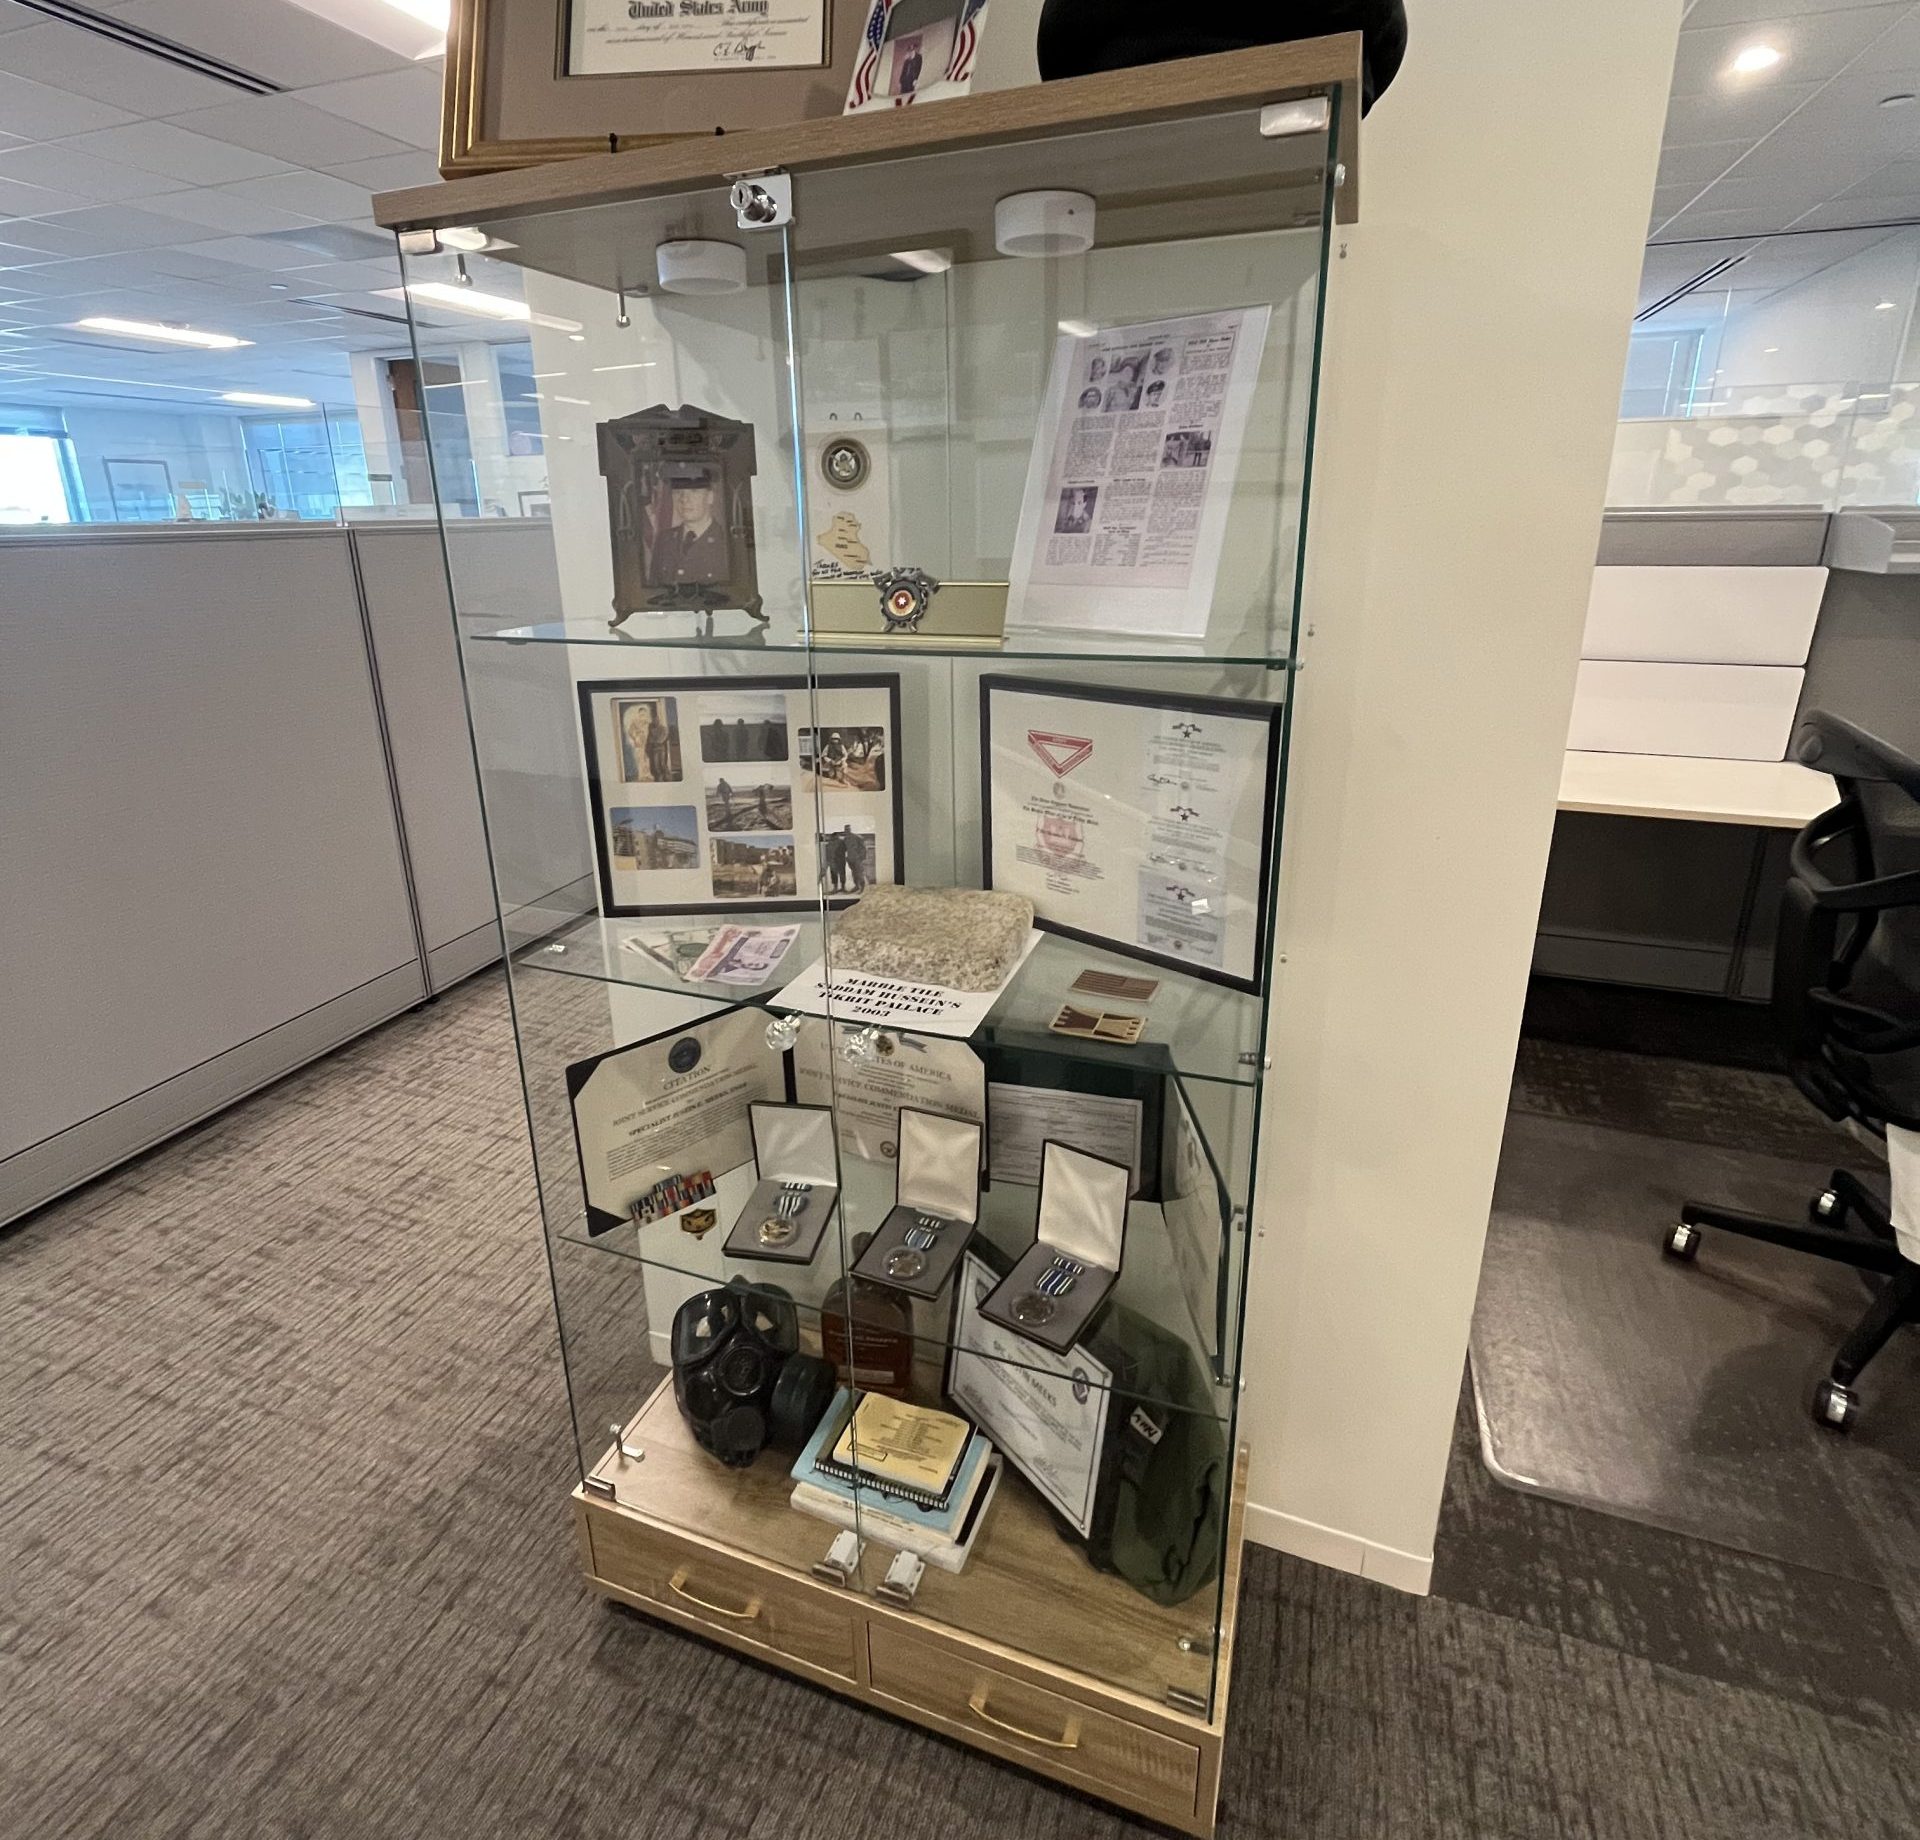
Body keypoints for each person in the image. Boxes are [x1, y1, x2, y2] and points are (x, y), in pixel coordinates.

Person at [650, 470, 728, 586]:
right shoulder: (664, 539)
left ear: (710, 497)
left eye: (694, 491)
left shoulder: (727, 542)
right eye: (678, 492)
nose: (684, 499)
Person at [841, 824, 866, 893]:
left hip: (857, 859)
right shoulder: (846, 839)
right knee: (854, 873)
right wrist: (846, 857)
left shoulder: (857, 837)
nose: (847, 831)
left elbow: (863, 848)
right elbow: (845, 849)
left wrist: (861, 857)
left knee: (859, 873)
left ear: (851, 829)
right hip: (850, 859)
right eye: (846, 829)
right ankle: (857, 886)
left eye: (848, 829)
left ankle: (863, 888)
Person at [822, 828, 848, 895]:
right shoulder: (830, 844)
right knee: (835, 875)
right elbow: (827, 853)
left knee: (840, 874)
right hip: (835, 861)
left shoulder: (841, 842)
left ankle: (841, 888)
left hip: (839, 861)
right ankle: (837, 888)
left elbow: (845, 850)